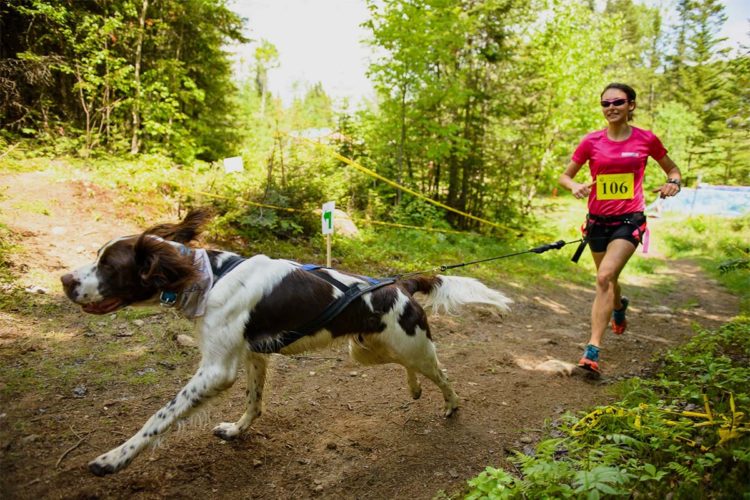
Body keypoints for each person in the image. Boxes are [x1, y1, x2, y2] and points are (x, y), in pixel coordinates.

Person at [558, 82, 682, 376]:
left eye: (618, 102)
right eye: (606, 104)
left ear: (631, 105)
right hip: (597, 222)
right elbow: (565, 177)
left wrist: (672, 184)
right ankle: (618, 305)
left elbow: (673, 170)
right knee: (608, 281)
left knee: (604, 276)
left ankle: (592, 350)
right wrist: (575, 186)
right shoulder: (591, 141)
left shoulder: (646, 140)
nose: (611, 108)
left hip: (629, 221)